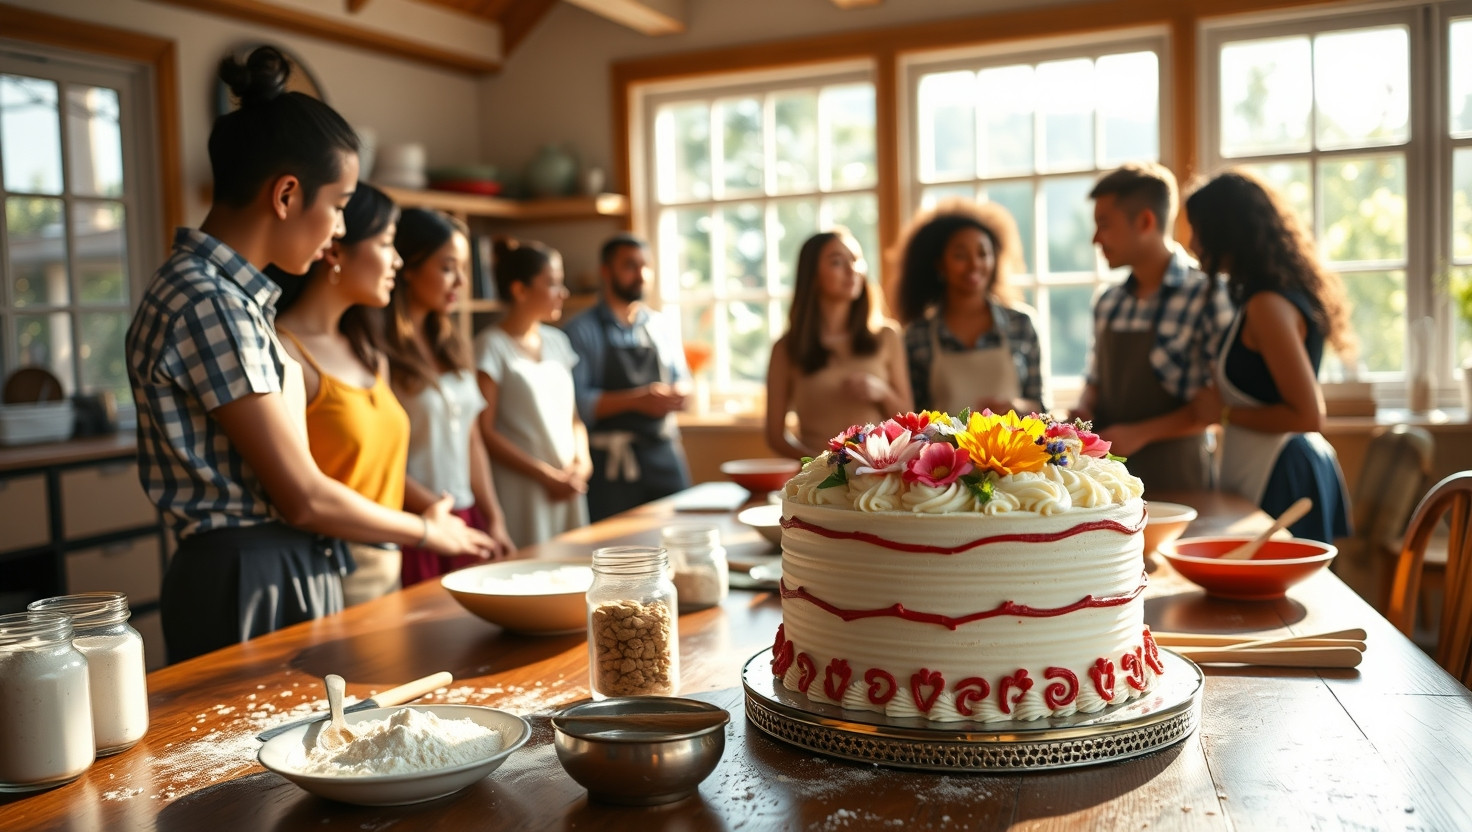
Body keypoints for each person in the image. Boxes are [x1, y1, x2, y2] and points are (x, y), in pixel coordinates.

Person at [126, 46, 492, 663]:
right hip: (252, 574)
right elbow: (305, 495)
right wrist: (431, 531)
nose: (341, 229)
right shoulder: (210, 302)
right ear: (288, 195)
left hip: (278, 563)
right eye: (341, 204)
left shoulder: (234, 300)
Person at [270, 182, 418, 606]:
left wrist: (432, 511)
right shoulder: (285, 352)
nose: (398, 261)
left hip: (390, 563)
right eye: (388, 243)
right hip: (333, 574)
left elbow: (373, 465)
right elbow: (304, 493)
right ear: (335, 250)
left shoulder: (368, 351)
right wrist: (425, 529)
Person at [1185, 170, 1353, 543]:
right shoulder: (1261, 300)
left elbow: (1308, 415)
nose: (1192, 242)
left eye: (1198, 229)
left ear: (1224, 232)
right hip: (1275, 469)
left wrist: (1223, 413)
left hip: (1284, 472)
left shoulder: (1267, 307)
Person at [1075, 162, 1236, 492]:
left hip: (1180, 477)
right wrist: (1081, 412)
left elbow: (1220, 405)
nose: (1095, 238)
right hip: (1108, 480)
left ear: (1146, 221)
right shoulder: (1108, 302)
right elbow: (1096, 382)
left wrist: (1139, 434)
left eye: (1104, 225)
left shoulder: (1208, 294)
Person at [382, 208, 517, 584]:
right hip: (417, 524)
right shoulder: (379, 352)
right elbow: (381, 459)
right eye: (447, 267)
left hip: (466, 517)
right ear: (408, 266)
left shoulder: (454, 346)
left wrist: (495, 519)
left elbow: (472, 440)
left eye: (463, 268)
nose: (460, 280)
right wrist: (437, 512)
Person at [564, 234, 691, 522]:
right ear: (605, 271)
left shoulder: (661, 325)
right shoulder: (581, 331)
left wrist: (679, 392)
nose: (641, 274)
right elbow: (577, 405)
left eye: (645, 266)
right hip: (611, 466)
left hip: (664, 452)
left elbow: (683, 379)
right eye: (630, 266)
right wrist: (637, 401)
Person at [474, 238, 591, 547]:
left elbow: (574, 417)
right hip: (522, 488)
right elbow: (485, 431)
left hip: (568, 485)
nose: (562, 293)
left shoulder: (558, 342)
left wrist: (583, 463)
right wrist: (544, 475)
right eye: (552, 283)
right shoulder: (490, 347)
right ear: (519, 289)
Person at [766, 228, 911, 459]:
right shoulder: (786, 348)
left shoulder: (887, 336)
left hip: (877, 478)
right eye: (837, 262)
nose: (852, 269)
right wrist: (821, 466)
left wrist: (882, 392)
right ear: (812, 275)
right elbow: (775, 436)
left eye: (855, 260)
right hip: (819, 484)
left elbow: (909, 418)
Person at [895, 199, 1045, 415]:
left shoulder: (1021, 324)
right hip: (944, 450)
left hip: (1013, 448)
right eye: (960, 256)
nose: (974, 264)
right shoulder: (917, 335)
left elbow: (1041, 408)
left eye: (983, 253)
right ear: (939, 264)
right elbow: (912, 417)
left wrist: (1017, 407)